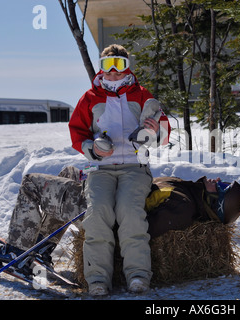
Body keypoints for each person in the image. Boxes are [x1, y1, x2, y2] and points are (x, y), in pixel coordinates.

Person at [0, 167, 240, 293]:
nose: (217, 180)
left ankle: (18, 253)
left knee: (32, 183)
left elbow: (137, 227)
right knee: (68, 172)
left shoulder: (182, 207)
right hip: (111, 193)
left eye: (221, 187)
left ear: (216, 204)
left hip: (100, 211)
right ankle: (41, 250)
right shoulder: (188, 190)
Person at [68, 43, 171, 296]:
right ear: (101, 69)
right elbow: (77, 133)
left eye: (119, 65)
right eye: (107, 66)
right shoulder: (90, 98)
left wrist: (155, 132)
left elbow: (165, 134)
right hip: (100, 168)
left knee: (129, 211)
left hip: (134, 167)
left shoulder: (142, 95)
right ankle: (97, 280)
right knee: (98, 213)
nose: (113, 72)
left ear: (128, 68)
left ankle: (137, 275)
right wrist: (93, 148)